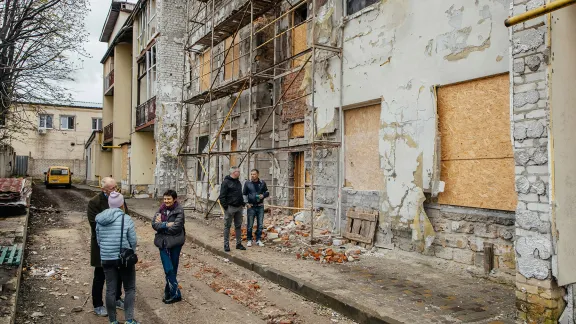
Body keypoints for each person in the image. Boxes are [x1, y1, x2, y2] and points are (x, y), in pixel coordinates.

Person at [95, 192, 139, 324]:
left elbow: (99, 240)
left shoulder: (100, 220)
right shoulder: (126, 219)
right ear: (122, 204)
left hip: (107, 259)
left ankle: (113, 321)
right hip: (124, 259)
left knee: (110, 290)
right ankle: (129, 320)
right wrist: (131, 251)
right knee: (129, 289)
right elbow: (133, 240)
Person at [87, 177, 126, 317]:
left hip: (118, 244)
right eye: (112, 189)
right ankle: (97, 304)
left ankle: (116, 299)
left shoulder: (119, 199)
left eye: (116, 187)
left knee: (119, 273)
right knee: (100, 275)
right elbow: (94, 225)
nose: (115, 191)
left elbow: (125, 217)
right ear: (103, 190)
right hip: (101, 245)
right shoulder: (94, 202)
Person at [152, 190, 185, 304]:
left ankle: (169, 290)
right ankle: (176, 294)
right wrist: (166, 224)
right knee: (168, 267)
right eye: (165, 199)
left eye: (169, 199)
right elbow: (154, 224)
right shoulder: (161, 209)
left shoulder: (179, 210)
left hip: (175, 243)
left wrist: (161, 226)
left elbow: (177, 227)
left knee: (173, 267)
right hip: (163, 243)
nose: (166, 201)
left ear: (174, 199)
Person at [219, 166, 246, 252]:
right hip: (230, 207)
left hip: (239, 207)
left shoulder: (238, 182)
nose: (239, 173)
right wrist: (226, 208)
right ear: (233, 173)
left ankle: (238, 243)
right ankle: (226, 244)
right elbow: (222, 196)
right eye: (238, 171)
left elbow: (239, 194)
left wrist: (243, 203)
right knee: (227, 226)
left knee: (238, 226)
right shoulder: (226, 182)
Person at [243, 169, 269, 247]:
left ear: (258, 174)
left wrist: (263, 195)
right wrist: (246, 203)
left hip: (260, 206)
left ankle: (258, 240)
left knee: (260, 224)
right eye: (251, 174)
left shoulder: (262, 183)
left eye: (254, 174)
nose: (252, 176)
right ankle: (249, 240)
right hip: (251, 206)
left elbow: (267, 192)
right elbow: (244, 194)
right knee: (250, 224)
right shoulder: (247, 183)